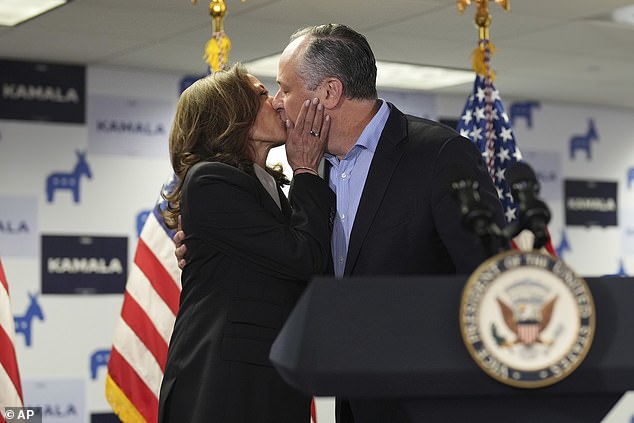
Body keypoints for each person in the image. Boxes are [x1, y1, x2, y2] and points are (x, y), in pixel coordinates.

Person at [175, 24, 507, 423]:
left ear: (329, 92)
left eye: (284, 89)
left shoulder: (438, 155)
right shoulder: (311, 173)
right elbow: (300, 260)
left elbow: (492, 278)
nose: (279, 102)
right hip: (351, 399)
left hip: (430, 399)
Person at [157, 63, 335, 423]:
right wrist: (304, 170)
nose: (277, 103)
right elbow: (303, 257)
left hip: (266, 381)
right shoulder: (210, 179)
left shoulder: (267, 186)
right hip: (223, 387)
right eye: (262, 94)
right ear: (231, 114)